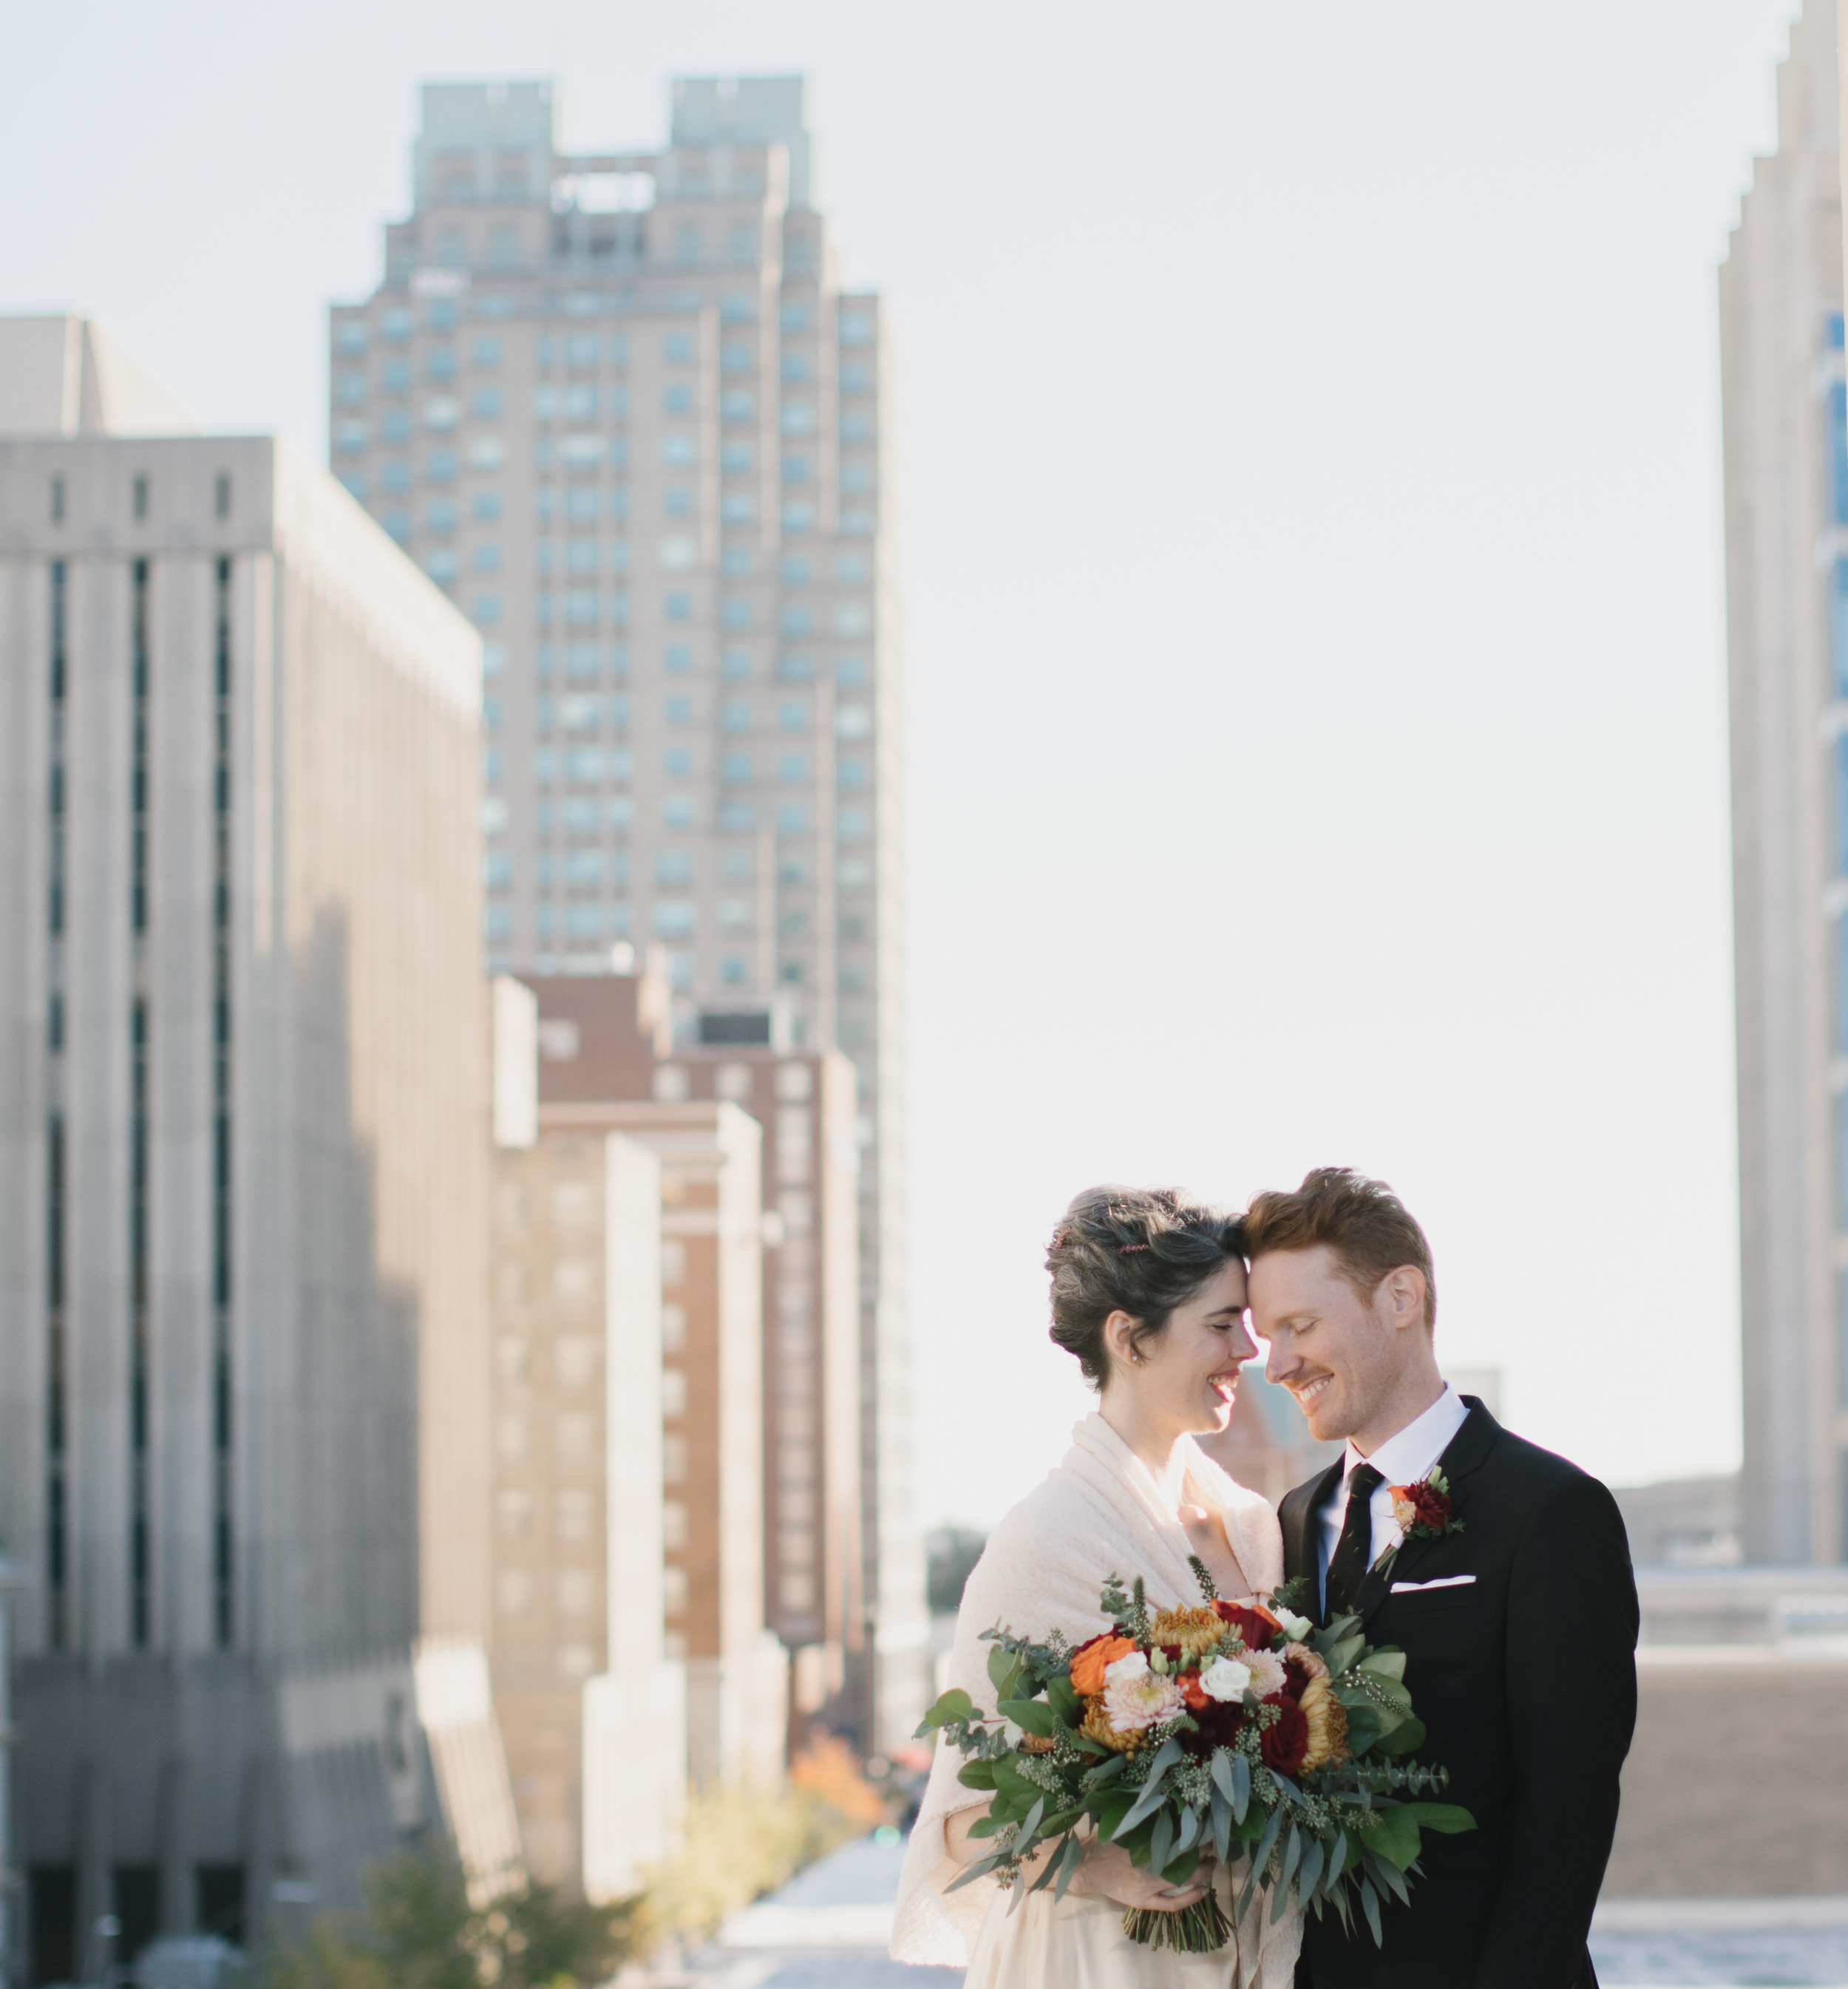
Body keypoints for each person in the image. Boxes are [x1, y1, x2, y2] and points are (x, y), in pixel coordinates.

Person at [891, 1186, 1301, 1989]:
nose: (1247, 1353)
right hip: (1094, 1961)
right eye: (1221, 1325)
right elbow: (961, 1821)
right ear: (1129, 1339)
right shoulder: (1043, 1540)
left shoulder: (1252, 1525)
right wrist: (1098, 1863)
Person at [1247, 1168, 1638, 1989]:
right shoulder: (1289, 1518)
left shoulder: (1552, 1511)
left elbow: (1566, 1810)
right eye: (1265, 1334)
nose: (1277, 1362)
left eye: (1299, 1325)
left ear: (1401, 1298)